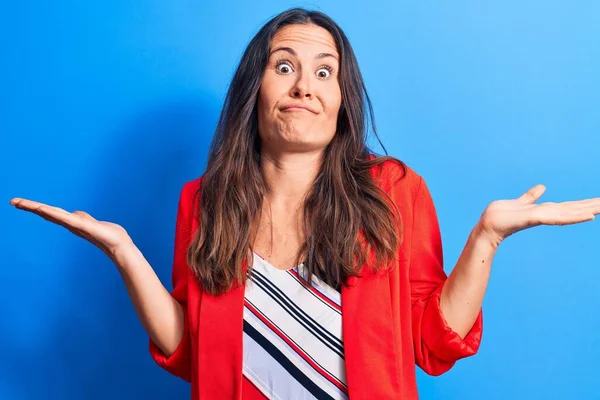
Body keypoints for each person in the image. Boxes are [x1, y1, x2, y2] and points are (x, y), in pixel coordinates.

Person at [9, 7, 600, 400]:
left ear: (342, 100)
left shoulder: (394, 190)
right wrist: (124, 253)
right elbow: (190, 353)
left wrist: (486, 240)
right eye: (284, 66)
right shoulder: (206, 200)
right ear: (254, 89)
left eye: (324, 71)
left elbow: (433, 341)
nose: (304, 86)